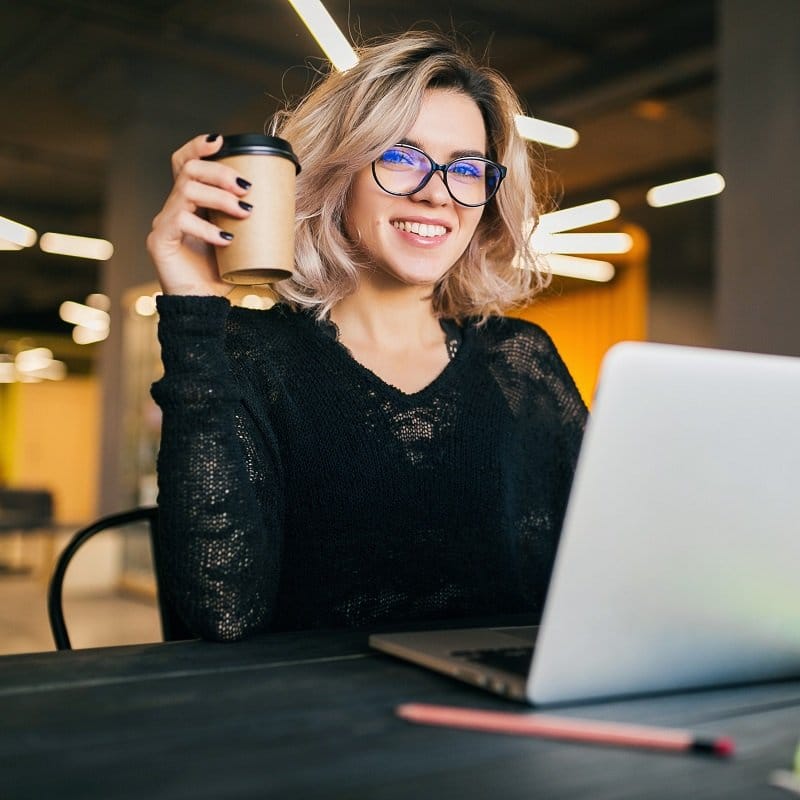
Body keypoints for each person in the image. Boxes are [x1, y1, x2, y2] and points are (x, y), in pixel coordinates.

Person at [146, 30, 588, 642]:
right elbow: (221, 615)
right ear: (338, 173)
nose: (437, 193)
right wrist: (194, 307)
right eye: (401, 158)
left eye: (465, 168)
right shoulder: (248, 355)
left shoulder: (519, 360)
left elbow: (595, 573)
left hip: (503, 714)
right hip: (326, 722)